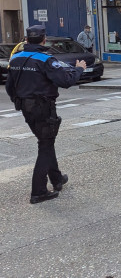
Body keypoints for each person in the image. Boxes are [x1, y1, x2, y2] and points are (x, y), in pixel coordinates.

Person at [5, 25, 85, 204]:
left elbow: (10, 86)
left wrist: (19, 101)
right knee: (46, 145)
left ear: (27, 39)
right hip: (43, 107)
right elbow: (66, 81)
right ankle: (38, 191)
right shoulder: (45, 60)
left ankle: (56, 179)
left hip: (26, 108)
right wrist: (79, 68)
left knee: (45, 142)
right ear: (44, 39)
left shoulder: (16, 58)